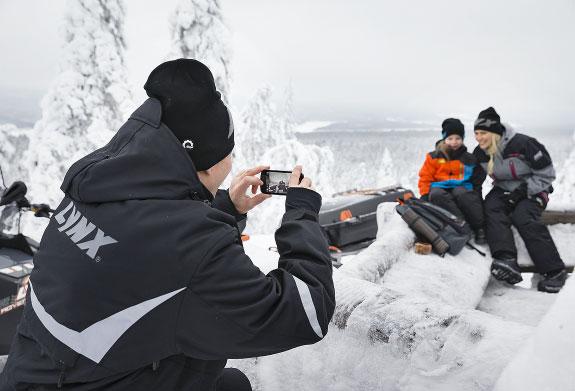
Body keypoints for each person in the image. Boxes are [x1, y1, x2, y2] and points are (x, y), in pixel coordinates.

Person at [0, 59, 335, 390]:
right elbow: (305, 311)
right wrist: (301, 211)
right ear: (207, 161)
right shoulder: (189, 247)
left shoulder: (91, 185)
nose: (232, 160)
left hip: (34, 375)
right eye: (229, 151)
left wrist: (225, 207)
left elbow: (146, 244)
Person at [473, 107, 567, 293]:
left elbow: (547, 175)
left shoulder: (524, 144)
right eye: (476, 133)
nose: (478, 137)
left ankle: (554, 271)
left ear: (494, 132)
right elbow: (474, 182)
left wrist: (520, 194)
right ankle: (506, 260)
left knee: (522, 215)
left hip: (534, 188)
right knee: (491, 207)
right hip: (503, 189)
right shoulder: (481, 153)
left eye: (483, 133)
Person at [418, 118, 486, 244]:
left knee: (462, 193)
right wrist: (425, 194)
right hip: (439, 186)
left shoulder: (468, 158)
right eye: (450, 139)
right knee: (437, 194)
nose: (454, 142)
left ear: (462, 139)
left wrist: (475, 190)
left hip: (461, 186)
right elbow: (425, 177)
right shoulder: (434, 156)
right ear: (444, 138)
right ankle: (461, 225)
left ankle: (478, 227)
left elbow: (476, 177)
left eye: (458, 138)